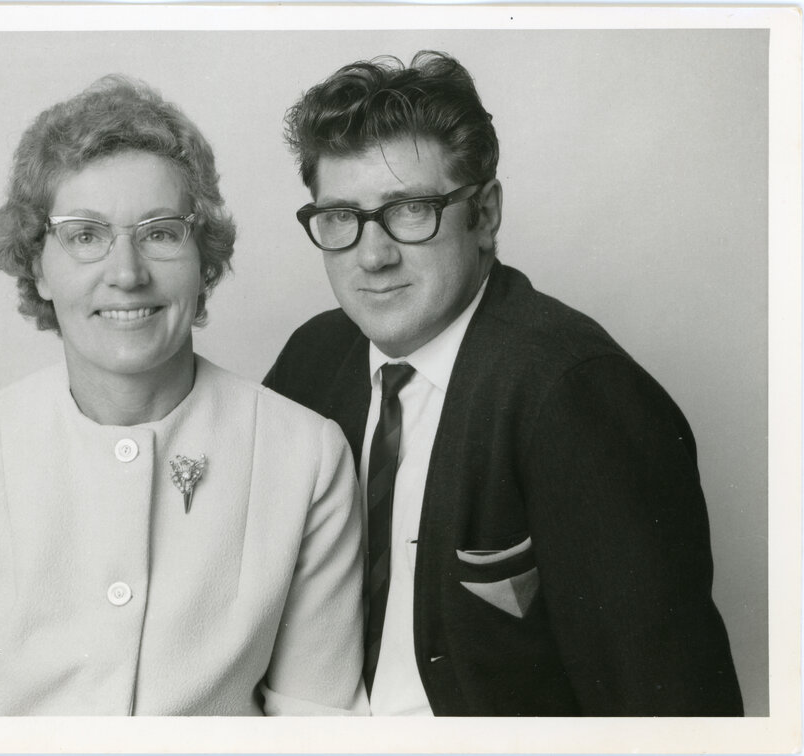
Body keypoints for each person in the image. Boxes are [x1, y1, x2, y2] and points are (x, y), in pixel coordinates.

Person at [264, 51, 743, 716]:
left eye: (409, 210)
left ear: (484, 213)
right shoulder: (313, 359)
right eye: (341, 217)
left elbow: (670, 707)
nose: (372, 257)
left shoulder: (575, 395)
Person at [0, 75, 366, 716]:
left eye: (161, 232)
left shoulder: (307, 455)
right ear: (37, 262)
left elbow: (317, 727)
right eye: (85, 235)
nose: (126, 273)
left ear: (204, 257)